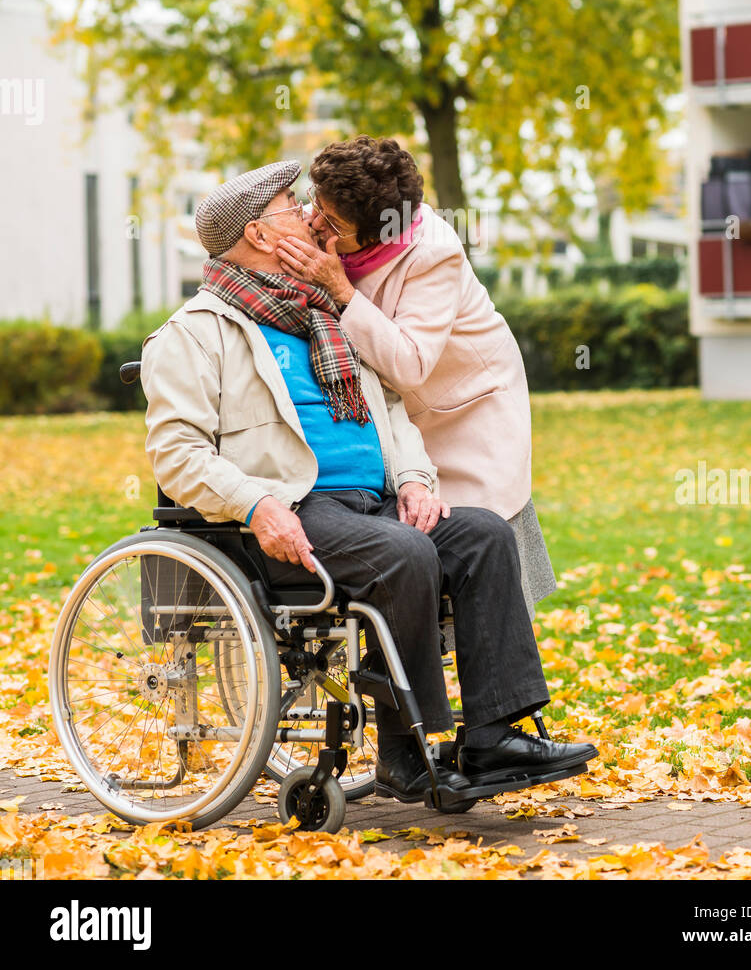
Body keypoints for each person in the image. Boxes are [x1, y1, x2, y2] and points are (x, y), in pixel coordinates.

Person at [140, 160, 596, 803]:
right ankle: (405, 752)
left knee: (485, 535)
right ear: (261, 236)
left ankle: (494, 737)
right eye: (290, 207)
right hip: (296, 508)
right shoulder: (195, 334)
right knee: (406, 553)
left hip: (373, 503)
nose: (307, 214)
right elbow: (177, 454)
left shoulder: (323, 314)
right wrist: (258, 504)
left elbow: (392, 416)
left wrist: (413, 478)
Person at [273, 135, 557, 616]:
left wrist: (340, 288)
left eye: (333, 223)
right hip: (395, 418)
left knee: (476, 542)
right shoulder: (332, 235)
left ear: (379, 232)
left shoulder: (430, 253)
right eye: (313, 204)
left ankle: (492, 667)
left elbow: (410, 363)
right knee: (404, 548)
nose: (314, 222)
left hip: (464, 411)